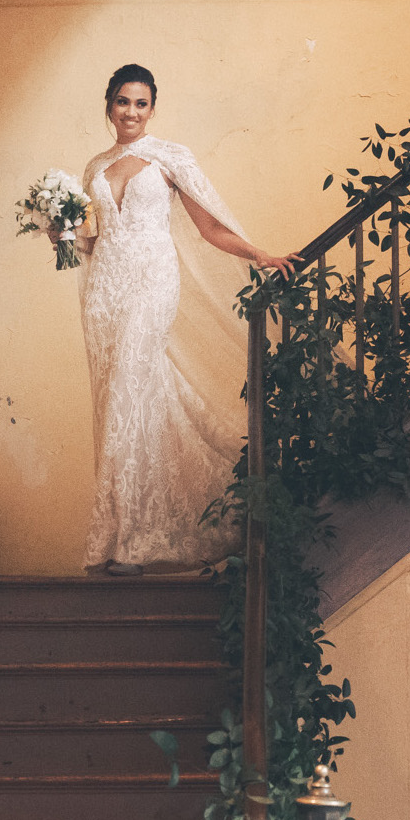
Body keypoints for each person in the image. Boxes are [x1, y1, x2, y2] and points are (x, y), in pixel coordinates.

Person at [61, 64, 299, 575]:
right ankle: (119, 534)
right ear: (109, 106)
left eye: (141, 103)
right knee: (118, 405)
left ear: (152, 108)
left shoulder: (170, 158)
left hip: (151, 281)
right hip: (104, 293)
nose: (131, 112)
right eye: (123, 102)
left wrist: (261, 254)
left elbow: (209, 225)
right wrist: (55, 229)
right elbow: (90, 242)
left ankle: (133, 544)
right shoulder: (94, 167)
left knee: (130, 388)